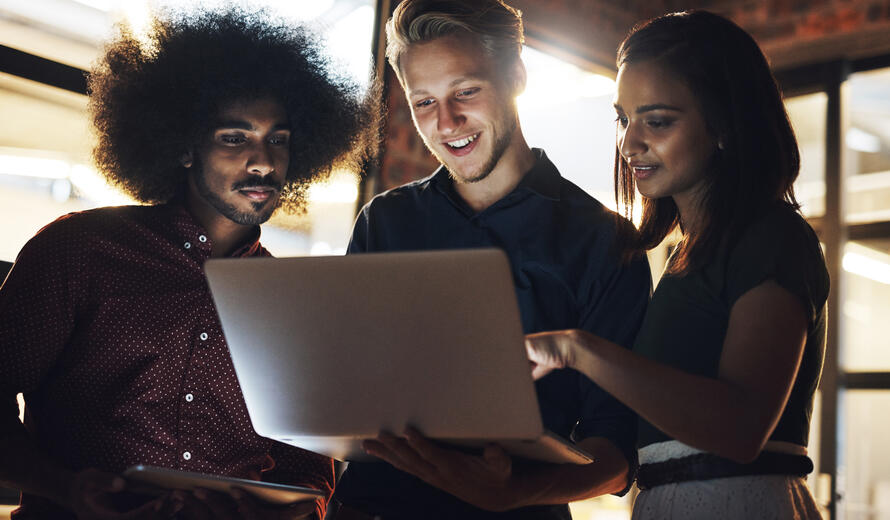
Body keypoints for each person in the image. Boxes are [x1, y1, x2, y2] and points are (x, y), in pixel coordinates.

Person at [0, 7, 374, 520]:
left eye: (278, 140)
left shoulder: (298, 304)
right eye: (235, 138)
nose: (262, 160)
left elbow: (307, 473)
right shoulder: (79, 251)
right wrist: (65, 488)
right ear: (183, 146)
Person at [329, 1, 651, 519]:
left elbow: (616, 458)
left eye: (466, 91)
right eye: (424, 101)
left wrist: (511, 493)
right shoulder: (383, 222)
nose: (446, 122)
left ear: (517, 76)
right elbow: (339, 391)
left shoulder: (605, 242)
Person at [525, 10, 829, 519]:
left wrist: (573, 348)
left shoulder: (772, 236)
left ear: (724, 125)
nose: (629, 144)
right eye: (624, 119)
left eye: (658, 121)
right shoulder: (687, 255)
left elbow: (740, 428)